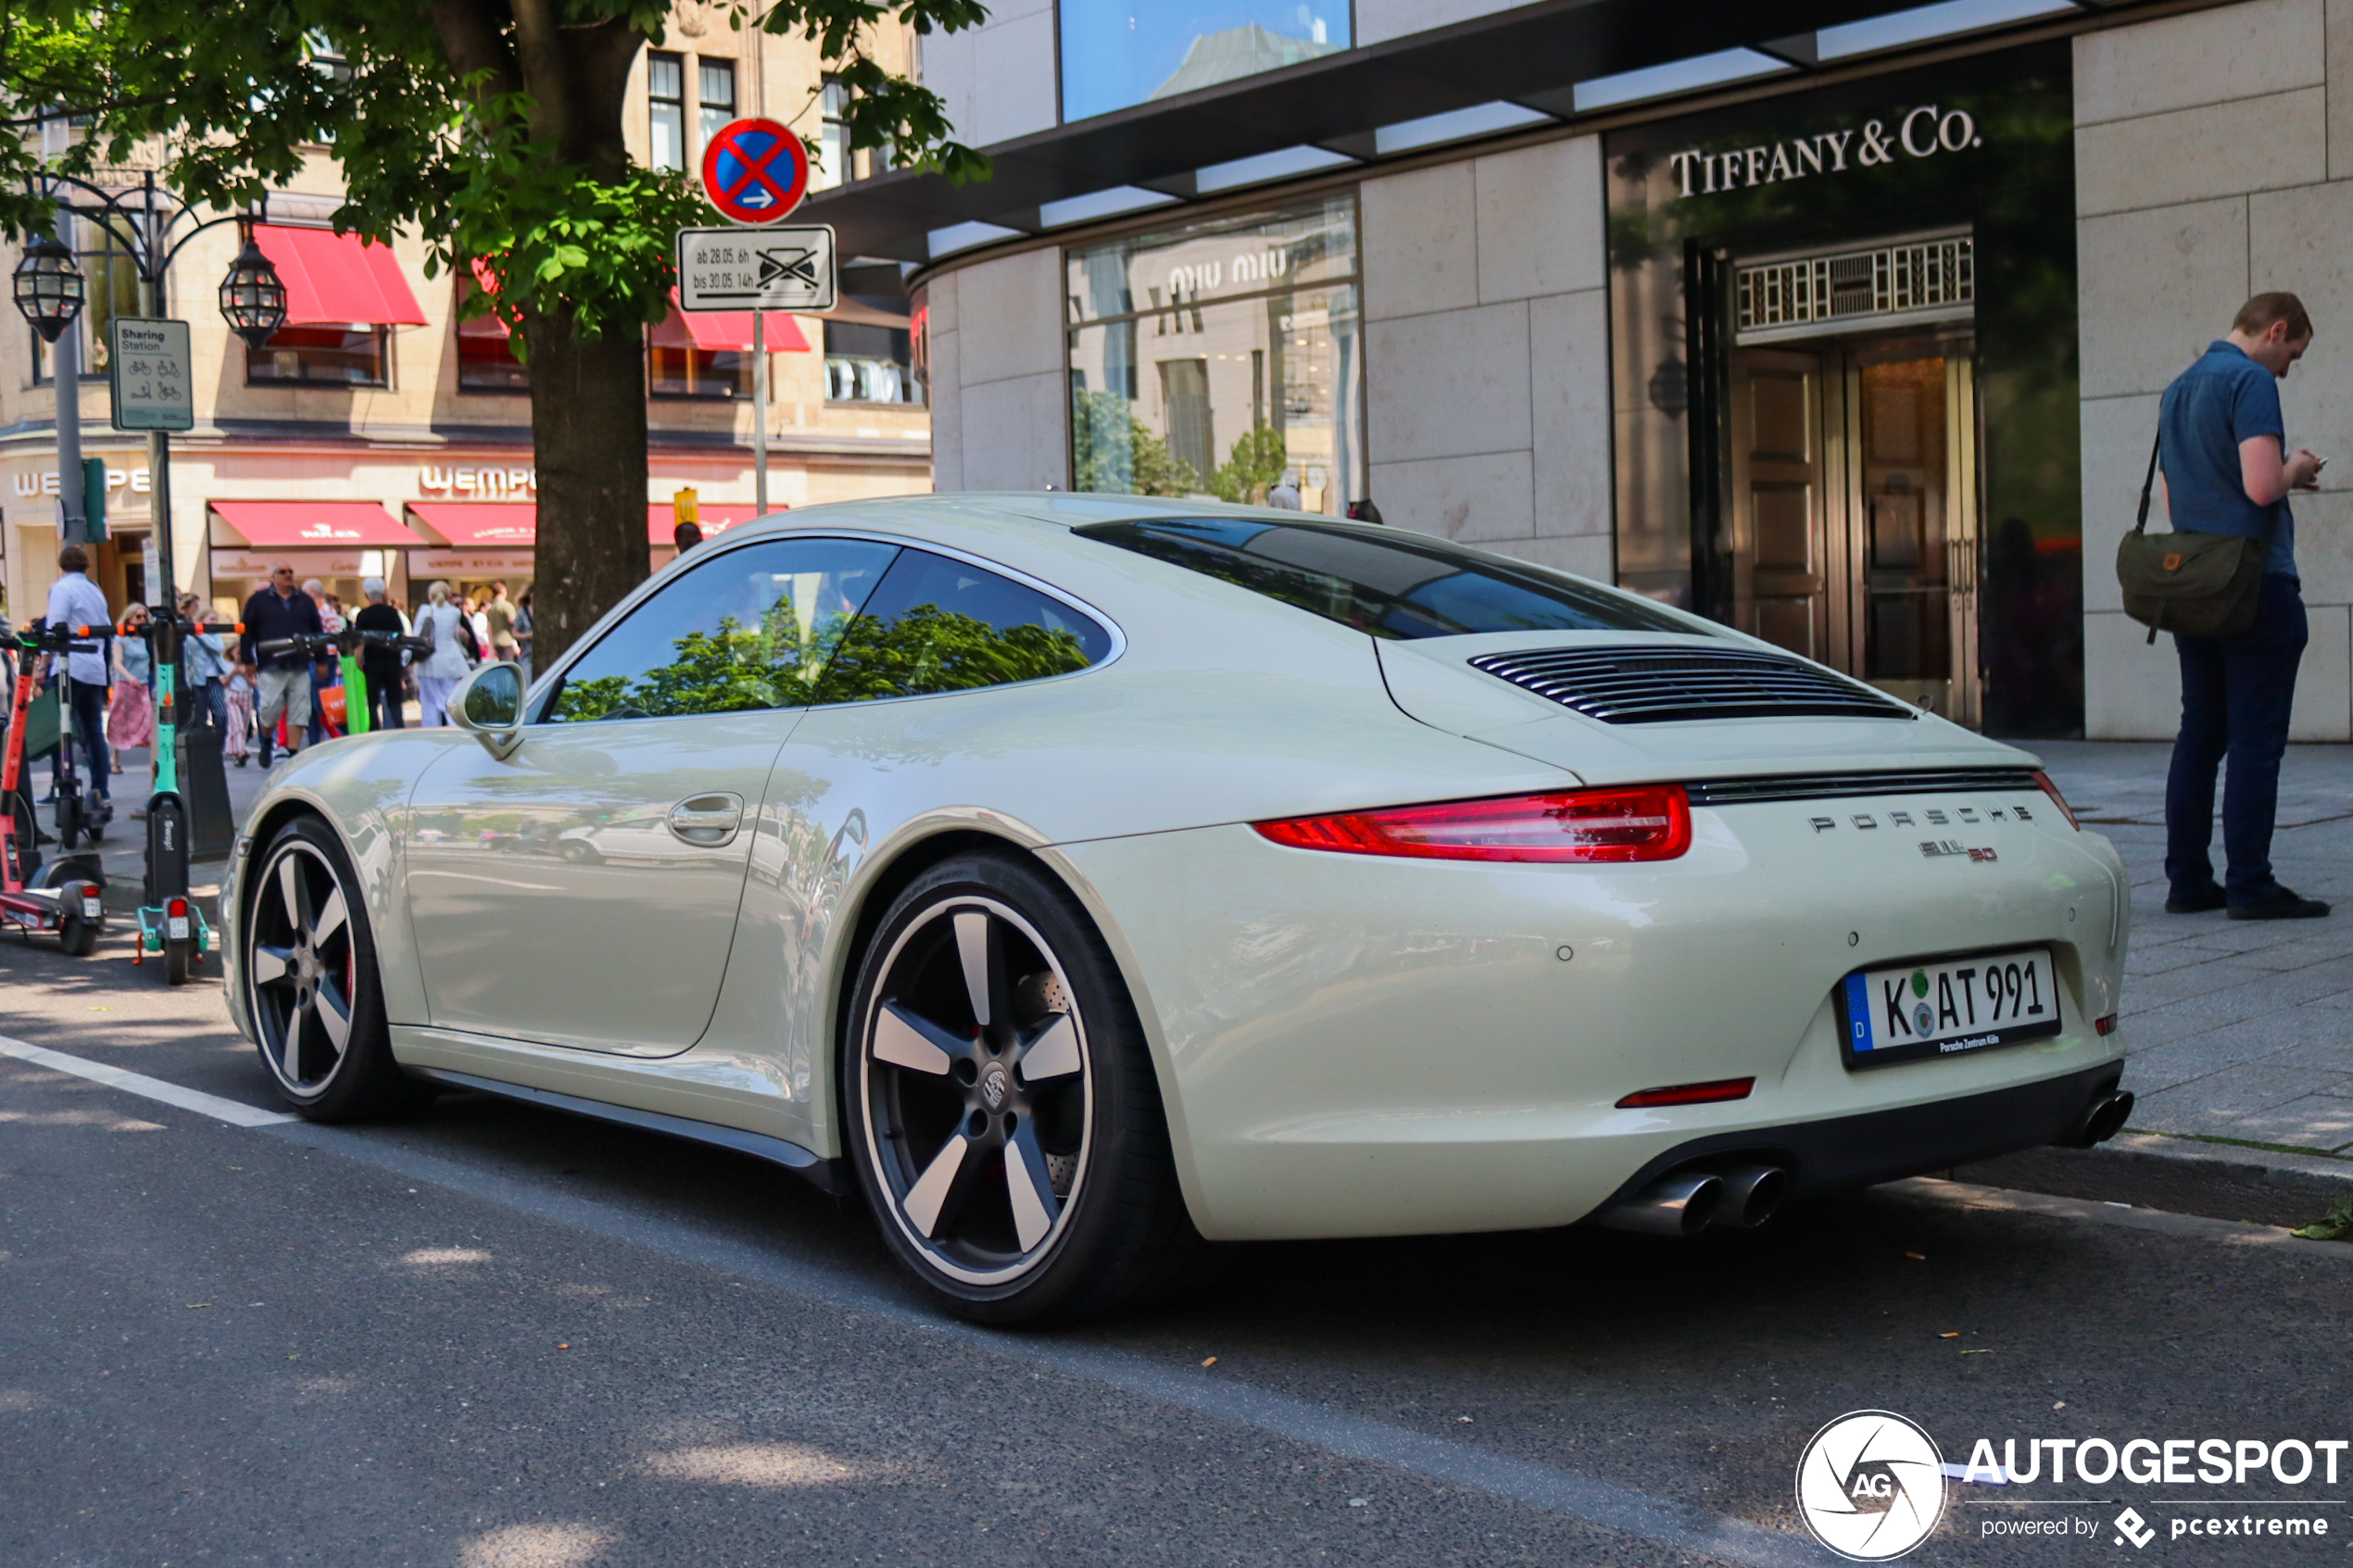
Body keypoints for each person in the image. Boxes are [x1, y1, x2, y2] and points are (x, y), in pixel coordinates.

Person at [2161, 292, 2330, 921]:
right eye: (2292, 353)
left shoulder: (2178, 388)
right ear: (2276, 330)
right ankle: (2252, 884)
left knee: (2200, 733)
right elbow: (2262, 486)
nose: (2288, 368)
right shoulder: (2250, 381)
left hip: (2195, 584)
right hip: (2255, 584)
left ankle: (2187, 881)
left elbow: (2177, 498)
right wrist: (2297, 468)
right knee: (2256, 740)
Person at [39, 544, 112, 813]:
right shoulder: (95, 590)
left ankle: (62, 788)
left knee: (61, 731)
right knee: (94, 732)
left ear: (62, 565)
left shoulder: (62, 589)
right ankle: (101, 789)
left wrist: (42, 664)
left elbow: (55, 627)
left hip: (69, 666)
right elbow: (106, 629)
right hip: (93, 667)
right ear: (85, 565)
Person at [240, 561, 324, 766]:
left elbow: (317, 631)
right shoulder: (258, 601)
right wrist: (248, 660)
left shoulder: (304, 601)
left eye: (290, 571)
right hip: (271, 664)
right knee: (269, 709)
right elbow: (247, 631)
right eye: (283, 572)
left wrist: (322, 660)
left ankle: (293, 753)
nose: (288, 575)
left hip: (300, 664)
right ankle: (267, 740)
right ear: (273, 577)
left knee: (299, 710)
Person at [351, 577, 409, 731]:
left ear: (366, 594)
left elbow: (360, 644)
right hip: (392, 662)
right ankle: (398, 728)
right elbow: (400, 637)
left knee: (372, 700)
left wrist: (359, 664)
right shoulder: (392, 613)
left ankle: (375, 729)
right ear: (384, 592)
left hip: (372, 663)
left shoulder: (363, 615)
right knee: (395, 700)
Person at [412, 581, 471, 727]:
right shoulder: (455, 613)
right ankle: (454, 734)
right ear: (448, 596)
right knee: (450, 704)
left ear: (430, 595)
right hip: (452, 662)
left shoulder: (425, 611)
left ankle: (432, 738)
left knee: (429, 706)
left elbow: (416, 636)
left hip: (429, 663)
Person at [107, 602, 156, 771]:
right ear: (129, 619)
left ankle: (154, 761)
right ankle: (115, 759)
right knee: (120, 721)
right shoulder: (122, 638)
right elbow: (117, 663)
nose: (142, 620)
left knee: (148, 718)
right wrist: (130, 677)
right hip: (126, 685)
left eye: (144, 616)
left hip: (143, 684)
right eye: (138, 617)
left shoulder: (147, 638)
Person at [179, 592, 230, 733]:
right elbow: (187, 656)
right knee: (200, 715)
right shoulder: (191, 638)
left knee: (221, 714)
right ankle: (203, 743)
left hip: (214, 679)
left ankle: (219, 740)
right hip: (198, 679)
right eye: (211, 619)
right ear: (202, 620)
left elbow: (219, 647)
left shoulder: (213, 635)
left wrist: (200, 634)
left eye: (216, 620)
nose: (214, 622)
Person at [225, 661, 257, 765]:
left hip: (246, 695)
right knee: (238, 725)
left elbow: (254, 684)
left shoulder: (249, 666)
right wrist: (233, 673)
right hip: (232, 695)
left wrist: (245, 674)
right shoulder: (227, 665)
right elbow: (223, 682)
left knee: (244, 725)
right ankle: (241, 751)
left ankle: (237, 756)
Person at [512, 587, 535, 684]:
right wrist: (527, 636)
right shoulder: (522, 612)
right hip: (527, 653)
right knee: (528, 682)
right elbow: (514, 632)